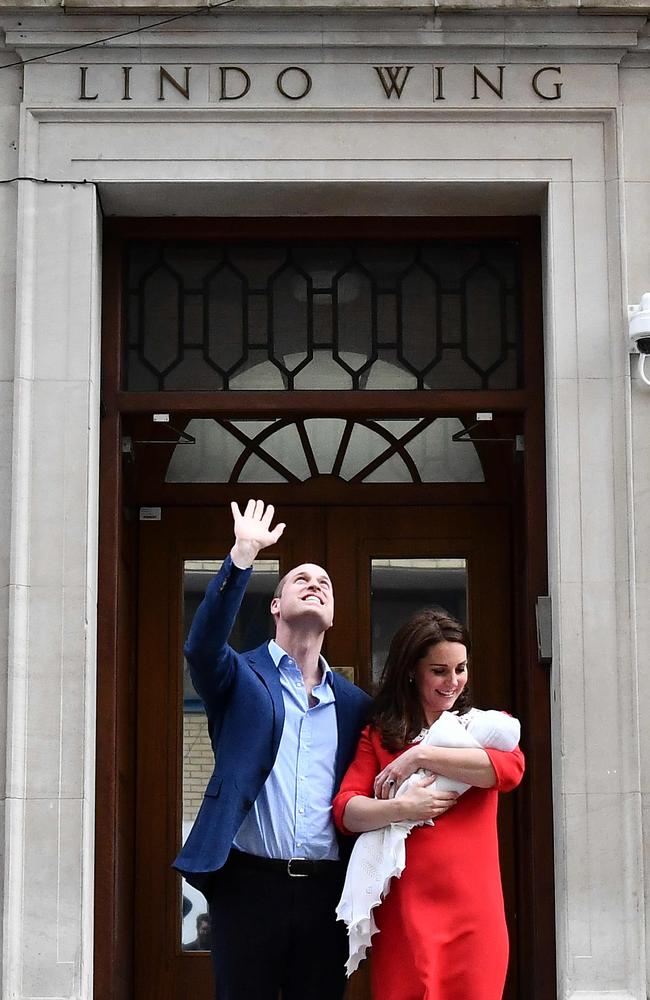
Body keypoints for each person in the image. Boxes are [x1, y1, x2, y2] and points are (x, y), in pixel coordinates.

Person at [173, 499, 371, 1000]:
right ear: (275, 606)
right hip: (248, 886)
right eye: (301, 579)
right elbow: (201, 647)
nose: (315, 585)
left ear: (332, 614)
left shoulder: (355, 706)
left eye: (325, 584)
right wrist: (242, 556)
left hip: (328, 890)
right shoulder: (239, 676)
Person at [332, 608, 525, 1000]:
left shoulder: (484, 728)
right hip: (407, 911)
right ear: (411, 671)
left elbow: (507, 770)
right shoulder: (381, 735)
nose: (452, 681)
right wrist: (403, 809)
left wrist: (419, 757)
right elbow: (346, 812)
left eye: (460, 669)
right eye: (439, 670)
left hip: (476, 912)